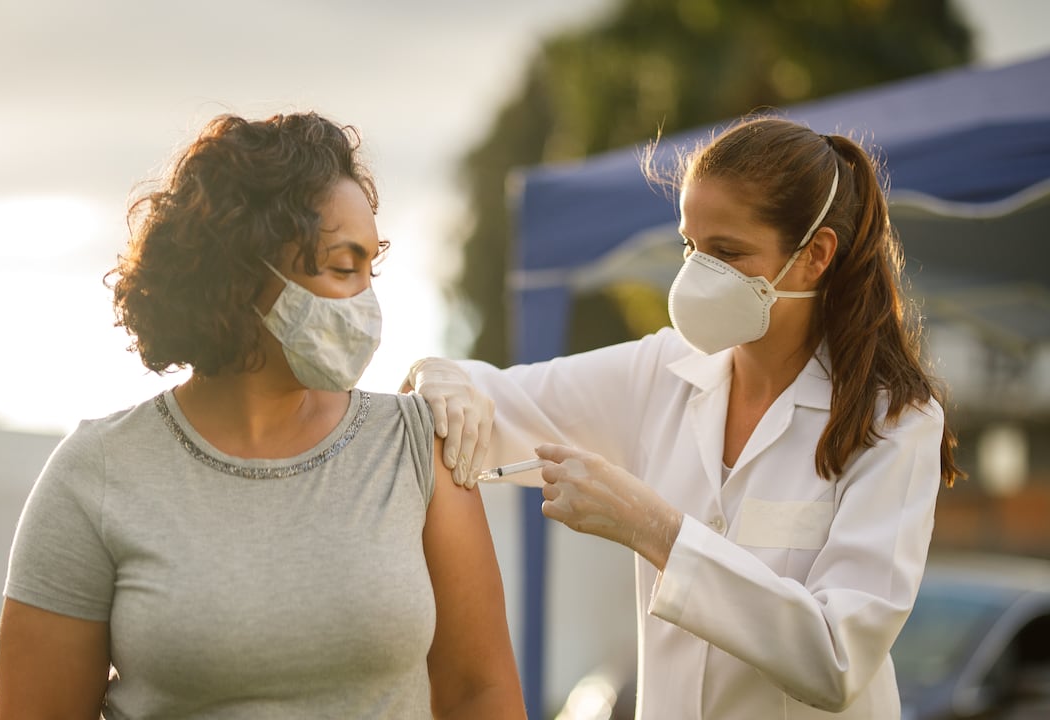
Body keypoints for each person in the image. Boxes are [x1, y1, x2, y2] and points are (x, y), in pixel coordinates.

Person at [409, 116, 962, 719]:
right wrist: (438, 375)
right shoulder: (660, 371)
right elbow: (491, 404)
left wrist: (656, 529)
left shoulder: (895, 420)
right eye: (691, 247)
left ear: (816, 257)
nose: (698, 275)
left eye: (727, 252)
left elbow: (836, 659)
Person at [0, 112, 524, 719]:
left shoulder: (417, 447)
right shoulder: (96, 473)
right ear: (247, 268)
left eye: (369, 267)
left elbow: (480, 693)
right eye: (341, 266)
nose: (366, 302)